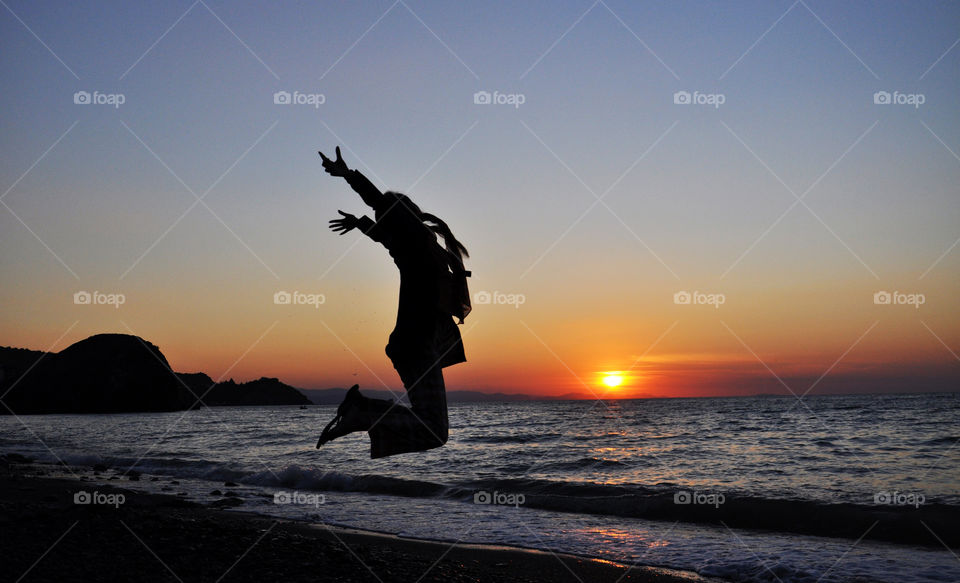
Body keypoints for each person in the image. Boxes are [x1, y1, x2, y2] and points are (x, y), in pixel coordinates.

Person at [315, 147, 471, 458]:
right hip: (415, 346)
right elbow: (380, 204)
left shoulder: (419, 249)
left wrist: (362, 224)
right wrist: (349, 176)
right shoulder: (417, 243)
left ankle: (363, 411)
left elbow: (383, 234)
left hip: (414, 347)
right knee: (434, 431)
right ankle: (362, 410)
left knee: (434, 431)